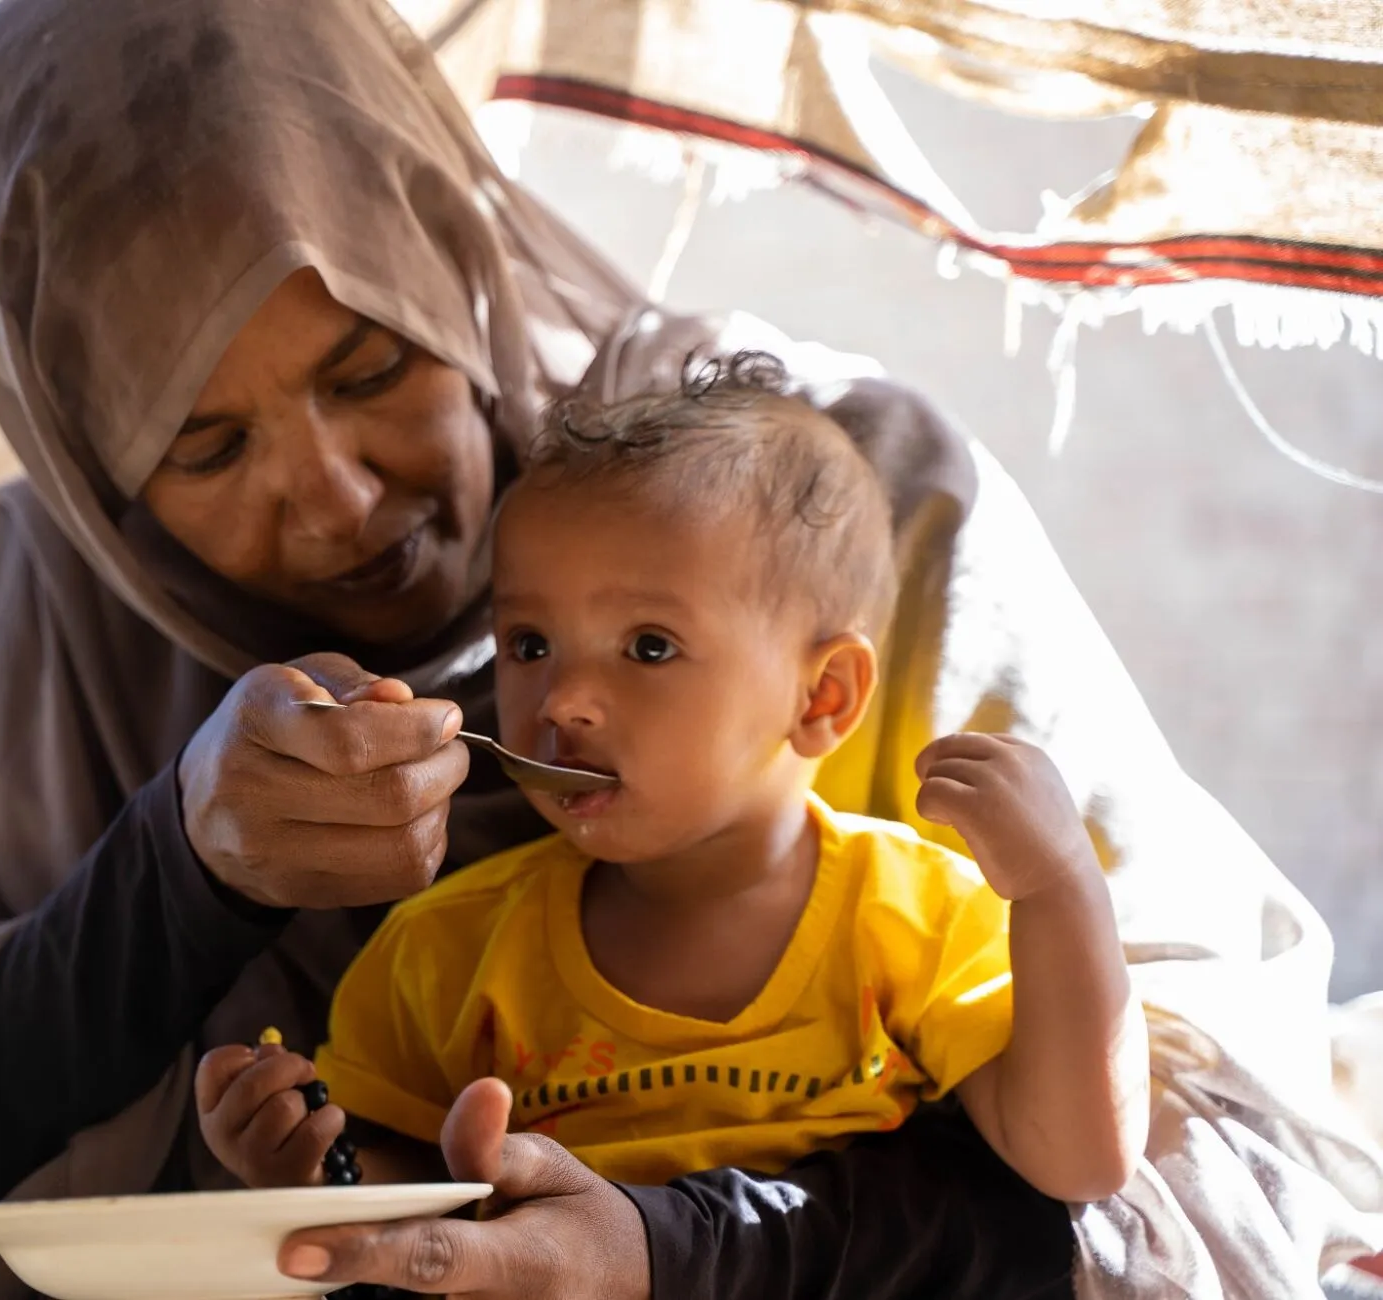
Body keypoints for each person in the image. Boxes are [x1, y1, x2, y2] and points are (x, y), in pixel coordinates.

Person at [0, 2, 1372, 1298]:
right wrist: (181, 880)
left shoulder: (835, 510)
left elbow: (1187, 1161)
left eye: (369, 368)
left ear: (449, 259)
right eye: (201, 450)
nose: (330, 497)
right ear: (92, 477)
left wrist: (681, 1245)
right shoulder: (79, 614)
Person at [199, 353, 1149, 1203]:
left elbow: (1077, 1163)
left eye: (648, 646)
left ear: (823, 696)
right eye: (529, 643)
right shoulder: (442, 955)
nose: (562, 699)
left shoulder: (914, 921)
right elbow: (403, 1211)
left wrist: (1060, 887)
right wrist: (316, 1164)